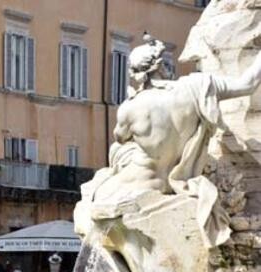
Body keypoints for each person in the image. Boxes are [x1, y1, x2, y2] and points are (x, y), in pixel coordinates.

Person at [88, 34, 261, 247]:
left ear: (135, 74)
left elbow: (119, 138)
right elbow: (248, 84)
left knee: (92, 196)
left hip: (133, 186)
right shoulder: (196, 87)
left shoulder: (129, 108)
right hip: (170, 185)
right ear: (161, 65)